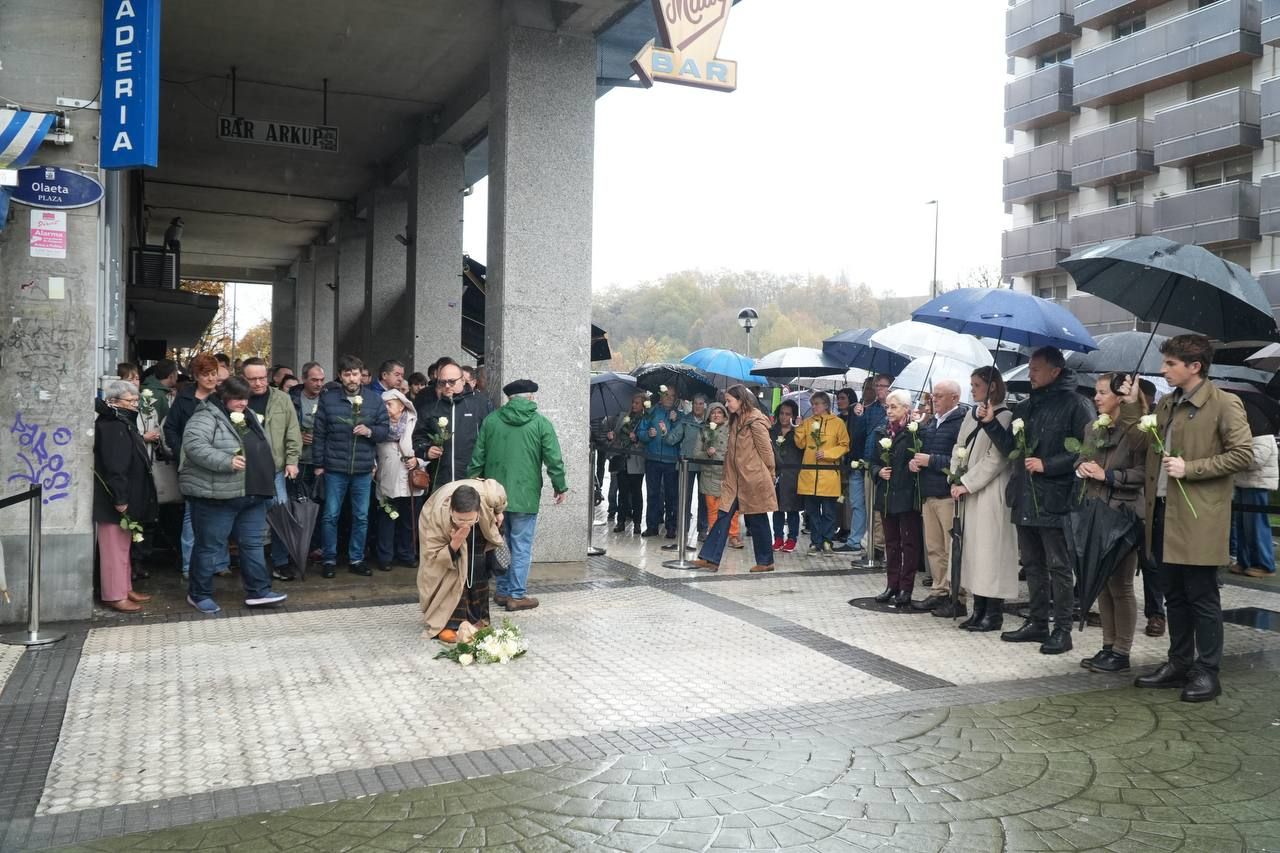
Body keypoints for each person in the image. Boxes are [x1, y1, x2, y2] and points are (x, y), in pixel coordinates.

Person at [1134, 335, 1252, 703]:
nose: (1163, 370)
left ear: (1194, 366)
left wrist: (1192, 468)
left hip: (1199, 515)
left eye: (1170, 364)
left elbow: (1243, 454)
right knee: (1173, 595)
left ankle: (1207, 671)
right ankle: (1179, 663)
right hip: (1164, 512)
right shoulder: (1168, 403)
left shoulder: (1223, 403)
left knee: (1202, 596)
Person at [980, 347, 1094, 655]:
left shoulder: (1077, 405)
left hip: (1056, 497)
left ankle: (1062, 629)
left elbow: (1088, 449)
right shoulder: (1025, 407)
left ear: (1056, 371)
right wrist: (991, 423)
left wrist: (1049, 464)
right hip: (1025, 496)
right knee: (1032, 563)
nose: (1030, 374)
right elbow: (1012, 450)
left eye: (1036, 369)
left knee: (1059, 565)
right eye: (1029, 368)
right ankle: (1037, 621)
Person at [178, 377, 287, 614]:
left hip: (251, 493)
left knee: (253, 544)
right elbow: (195, 446)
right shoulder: (205, 415)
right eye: (237, 398)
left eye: (246, 398)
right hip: (217, 496)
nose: (243, 402)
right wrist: (226, 461)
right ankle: (199, 594)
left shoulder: (247, 414)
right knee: (209, 546)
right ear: (223, 397)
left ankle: (259, 591)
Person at [467, 379, 568, 611]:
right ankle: (517, 594)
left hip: (494, 497)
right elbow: (553, 459)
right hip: (525, 495)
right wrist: (560, 486)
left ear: (510, 399)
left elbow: (477, 457)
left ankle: (502, 591)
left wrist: (471, 484)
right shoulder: (541, 423)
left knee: (498, 542)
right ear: (530, 397)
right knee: (521, 545)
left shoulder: (491, 421)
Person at [1075, 373, 1149, 674]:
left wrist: (1108, 476)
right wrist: (1083, 466)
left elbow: (1145, 473)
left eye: (1102, 392)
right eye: (1096, 391)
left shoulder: (1139, 429)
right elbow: (1081, 459)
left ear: (1121, 396)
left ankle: (1122, 650)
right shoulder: (1092, 427)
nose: (1096, 397)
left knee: (1121, 585)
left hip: (1124, 514)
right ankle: (1107, 645)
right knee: (1101, 583)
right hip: (1096, 511)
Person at [950, 367, 1019, 633]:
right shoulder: (971, 414)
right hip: (969, 490)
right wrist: (956, 475)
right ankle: (978, 609)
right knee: (973, 552)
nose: (972, 389)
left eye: (977, 384)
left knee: (991, 552)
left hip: (991, 492)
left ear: (991, 386)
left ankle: (993, 612)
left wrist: (968, 482)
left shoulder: (1006, 415)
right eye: (971, 384)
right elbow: (960, 445)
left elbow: (998, 458)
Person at [313, 355, 391, 578]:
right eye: (347, 374)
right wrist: (319, 464)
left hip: (363, 469)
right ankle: (329, 558)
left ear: (362, 375)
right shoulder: (328, 400)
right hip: (334, 468)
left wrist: (370, 431)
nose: (351, 378)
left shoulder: (375, 400)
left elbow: (385, 430)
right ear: (340, 376)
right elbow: (319, 435)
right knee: (330, 515)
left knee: (361, 516)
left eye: (355, 373)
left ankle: (356, 558)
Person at [692, 385, 777, 573]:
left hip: (753, 479)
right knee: (723, 515)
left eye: (729, 400)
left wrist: (770, 474)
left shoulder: (755, 421)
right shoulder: (736, 420)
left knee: (758, 518)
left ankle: (766, 561)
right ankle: (710, 558)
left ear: (741, 400)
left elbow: (766, 452)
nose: (726, 404)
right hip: (735, 479)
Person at [93, 381, 158, 613]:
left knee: (124, 546)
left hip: (128, 494)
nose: (134, 405)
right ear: (113, 401)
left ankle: (124, 586)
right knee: (114, 549)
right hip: (116, 499)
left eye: (135, 400)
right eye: (130, 401)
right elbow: (115, 466)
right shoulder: (113, 425)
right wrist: (120, 499)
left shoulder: (121, 422)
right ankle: (114, 593)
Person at [417, 480, 508, 642]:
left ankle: (478, 618)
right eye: (460, 519)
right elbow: (434, 555)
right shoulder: (439, 516)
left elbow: (497, 490)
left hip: (480, 528)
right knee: (453, 575)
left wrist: (499, 511)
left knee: (477, 569)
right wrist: (455, 543)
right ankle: (450, 623)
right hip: (445, 535)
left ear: (478, 512)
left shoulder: (486, 500)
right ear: (452, 511)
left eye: (469, 519)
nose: (465, 524)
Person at [909, 379, 969, 617]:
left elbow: (960, 460)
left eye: (940, 396)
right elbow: (924, 451)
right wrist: (915, 462)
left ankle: (957, 595)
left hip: (946, 494)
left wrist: (930, 461)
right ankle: (938, 590)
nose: (934, 400)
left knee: (951, 547)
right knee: (934, 548)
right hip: (928, 491)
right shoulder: (933, 422)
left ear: (955, 397)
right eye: (934, 395)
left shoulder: (960, 423)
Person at [164, 353, 226, 580]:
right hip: (191, 465)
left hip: (219, 463)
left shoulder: (222, 397)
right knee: (192, 516)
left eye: (213, 374)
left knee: (221, 514)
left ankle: (219, 563)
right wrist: (182, 450)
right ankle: (190, 566)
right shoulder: (185, 398)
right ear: (196, 376)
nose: (210, 379)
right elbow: (170, 427)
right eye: (205, 374)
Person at [242, 358, 303, 580]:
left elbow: (292, 432)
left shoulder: (282, 399)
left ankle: (280, 562)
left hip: (276, 469)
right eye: (252, 379)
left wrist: (292, 461)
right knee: (248, 517)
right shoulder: (238, 400)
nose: (258, 383)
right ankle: (251, 564)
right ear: (244, 379)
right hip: (245, 470)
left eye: (261, 378)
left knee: (280, 514)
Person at [870, 389, 923, 608]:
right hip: (886, 494)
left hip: (906, 494)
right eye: (887, 407)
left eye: (894, 407)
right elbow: (872, 461)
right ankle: (891, 584)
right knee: (891, 542)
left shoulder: (915, 432)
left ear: (906, 410)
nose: (889, 411)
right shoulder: (881, 431)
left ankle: (905, 587)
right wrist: (878, 472)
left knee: (908, 542)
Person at [412, 358, 493, 493]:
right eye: (442, 382)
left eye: (452, 381)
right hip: (440, 479)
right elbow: (418, 438)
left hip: (473, 480)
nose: (447, 386)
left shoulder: (481, 404)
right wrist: (426, 450)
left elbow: (492, 441)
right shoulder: (431, 407)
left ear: (462, 380)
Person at [372, 388, 427, 570]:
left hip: (410, 478)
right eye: (383, 405)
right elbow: (370, 448)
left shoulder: (415, 423)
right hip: (386, 475)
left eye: (389, 404)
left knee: (409, 520)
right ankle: (385, 557)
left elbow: (425, 446)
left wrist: (418, 460)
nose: (385, 408)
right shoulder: (378, 424)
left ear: (402, 406)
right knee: (387, 519)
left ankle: (407, 554)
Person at [793, 391, 850, 555]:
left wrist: (828, 454)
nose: (814, 407)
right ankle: (815, 541)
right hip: (810, 475)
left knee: (829, 512)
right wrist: (798, 427)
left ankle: (827, 540)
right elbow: (800, 444)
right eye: (813, 404)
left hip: (829, 476)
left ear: (825, 405)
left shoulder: (838, 423)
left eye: (817, 403)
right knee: (812, 512)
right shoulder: (808, 422)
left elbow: (845, 445)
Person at [1229, 398, 1278, 579]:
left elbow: (1255, 460)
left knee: (1257, 527)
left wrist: (1234, 455)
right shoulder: (1248, 436)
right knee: (1242, 527)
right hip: (1243, 484)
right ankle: (1245, 561)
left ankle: (1265, 564)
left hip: (1257, 485)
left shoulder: (1263, 436)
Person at [637, 387, 685, 538]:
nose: (669, 398)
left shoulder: (679, 415)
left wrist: (675, 420)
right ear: (660, 397)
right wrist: (648, 435)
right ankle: (652, 526)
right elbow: (640, 432)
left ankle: (671, 527)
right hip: (652, 459)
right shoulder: (651, 413)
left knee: (671, 495)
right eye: (666, 395)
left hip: (671, 461)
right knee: (652, 494)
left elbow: (682, 437)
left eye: (672, 396)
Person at [695, 402, 741, 547]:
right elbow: (696, 454)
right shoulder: (704, 431)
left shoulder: (733, 429)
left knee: (732, 509)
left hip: (728, 475)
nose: (716, 415)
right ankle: (714, 536)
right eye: (713, 412)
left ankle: (733, 536)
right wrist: (706, 453)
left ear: (724, 415)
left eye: (719, 412)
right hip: (709, 476)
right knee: (712, 509)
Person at [665, 393, 710, 538]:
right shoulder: (685, 421)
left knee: (703, 499)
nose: (698, 406)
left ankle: (703, 529)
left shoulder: (710, 423)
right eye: (696, 403)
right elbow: (672, 439)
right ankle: (682, 527)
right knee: (684, 497)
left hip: (704, 465)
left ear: (705, 405)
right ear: (692, 404)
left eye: (701, 403)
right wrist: (665, 432)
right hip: (686, 464)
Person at [608, 393, 647, 534]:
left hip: (636, 461)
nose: (634, 405)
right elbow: (616, 434)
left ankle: (637, 523)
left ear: (643, 405)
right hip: (621, 459)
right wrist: (612, 437)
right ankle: (621, 521)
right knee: (622, 493)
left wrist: (636, 440)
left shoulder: (645, 419)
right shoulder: (625, 417)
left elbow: (646, 440)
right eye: (633, 402)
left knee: (636, 493)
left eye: (637, 403)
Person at [769, 399, 803, 551]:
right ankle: (777, 537)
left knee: (793, 509)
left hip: (793, 474)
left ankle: (792, 538)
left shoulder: (798, 431)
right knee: (776, 508)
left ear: (793, 415)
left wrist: (799, 427)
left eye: (788, 414)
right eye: (782, 413)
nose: (784, 417)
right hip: (776, 474)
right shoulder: (772, 431)